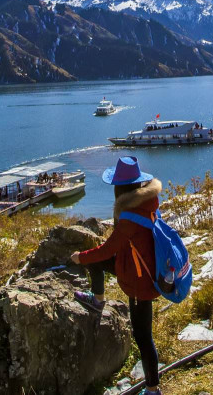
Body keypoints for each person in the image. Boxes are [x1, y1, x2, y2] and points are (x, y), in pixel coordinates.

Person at [71, 156, 163, 395]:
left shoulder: (128, 218)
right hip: (148, 271)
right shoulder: (149, 202)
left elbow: (108, 249)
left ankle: (153, 389)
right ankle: (98, 298)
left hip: (139, 282)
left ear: (119, 188)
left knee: (143, 337)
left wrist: (80, 257)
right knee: (97, 260)